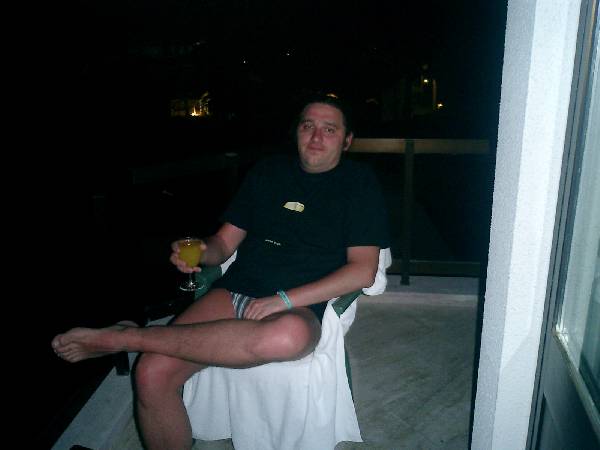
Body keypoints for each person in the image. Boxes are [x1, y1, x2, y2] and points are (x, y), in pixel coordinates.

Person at [52, 93, 390, 449]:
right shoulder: (268, 172)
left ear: (347, 140)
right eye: (308, 126)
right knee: (151, 372)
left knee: (286, 338)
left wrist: (283, 300)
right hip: (236, 291)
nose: (316, 136)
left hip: (299, 305)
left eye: (329, 129)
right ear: (297, 132)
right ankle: (129, 339)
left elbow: (362, 272)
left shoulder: (359, 183)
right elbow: (223, 244)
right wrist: (201, 252)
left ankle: (126, 338)